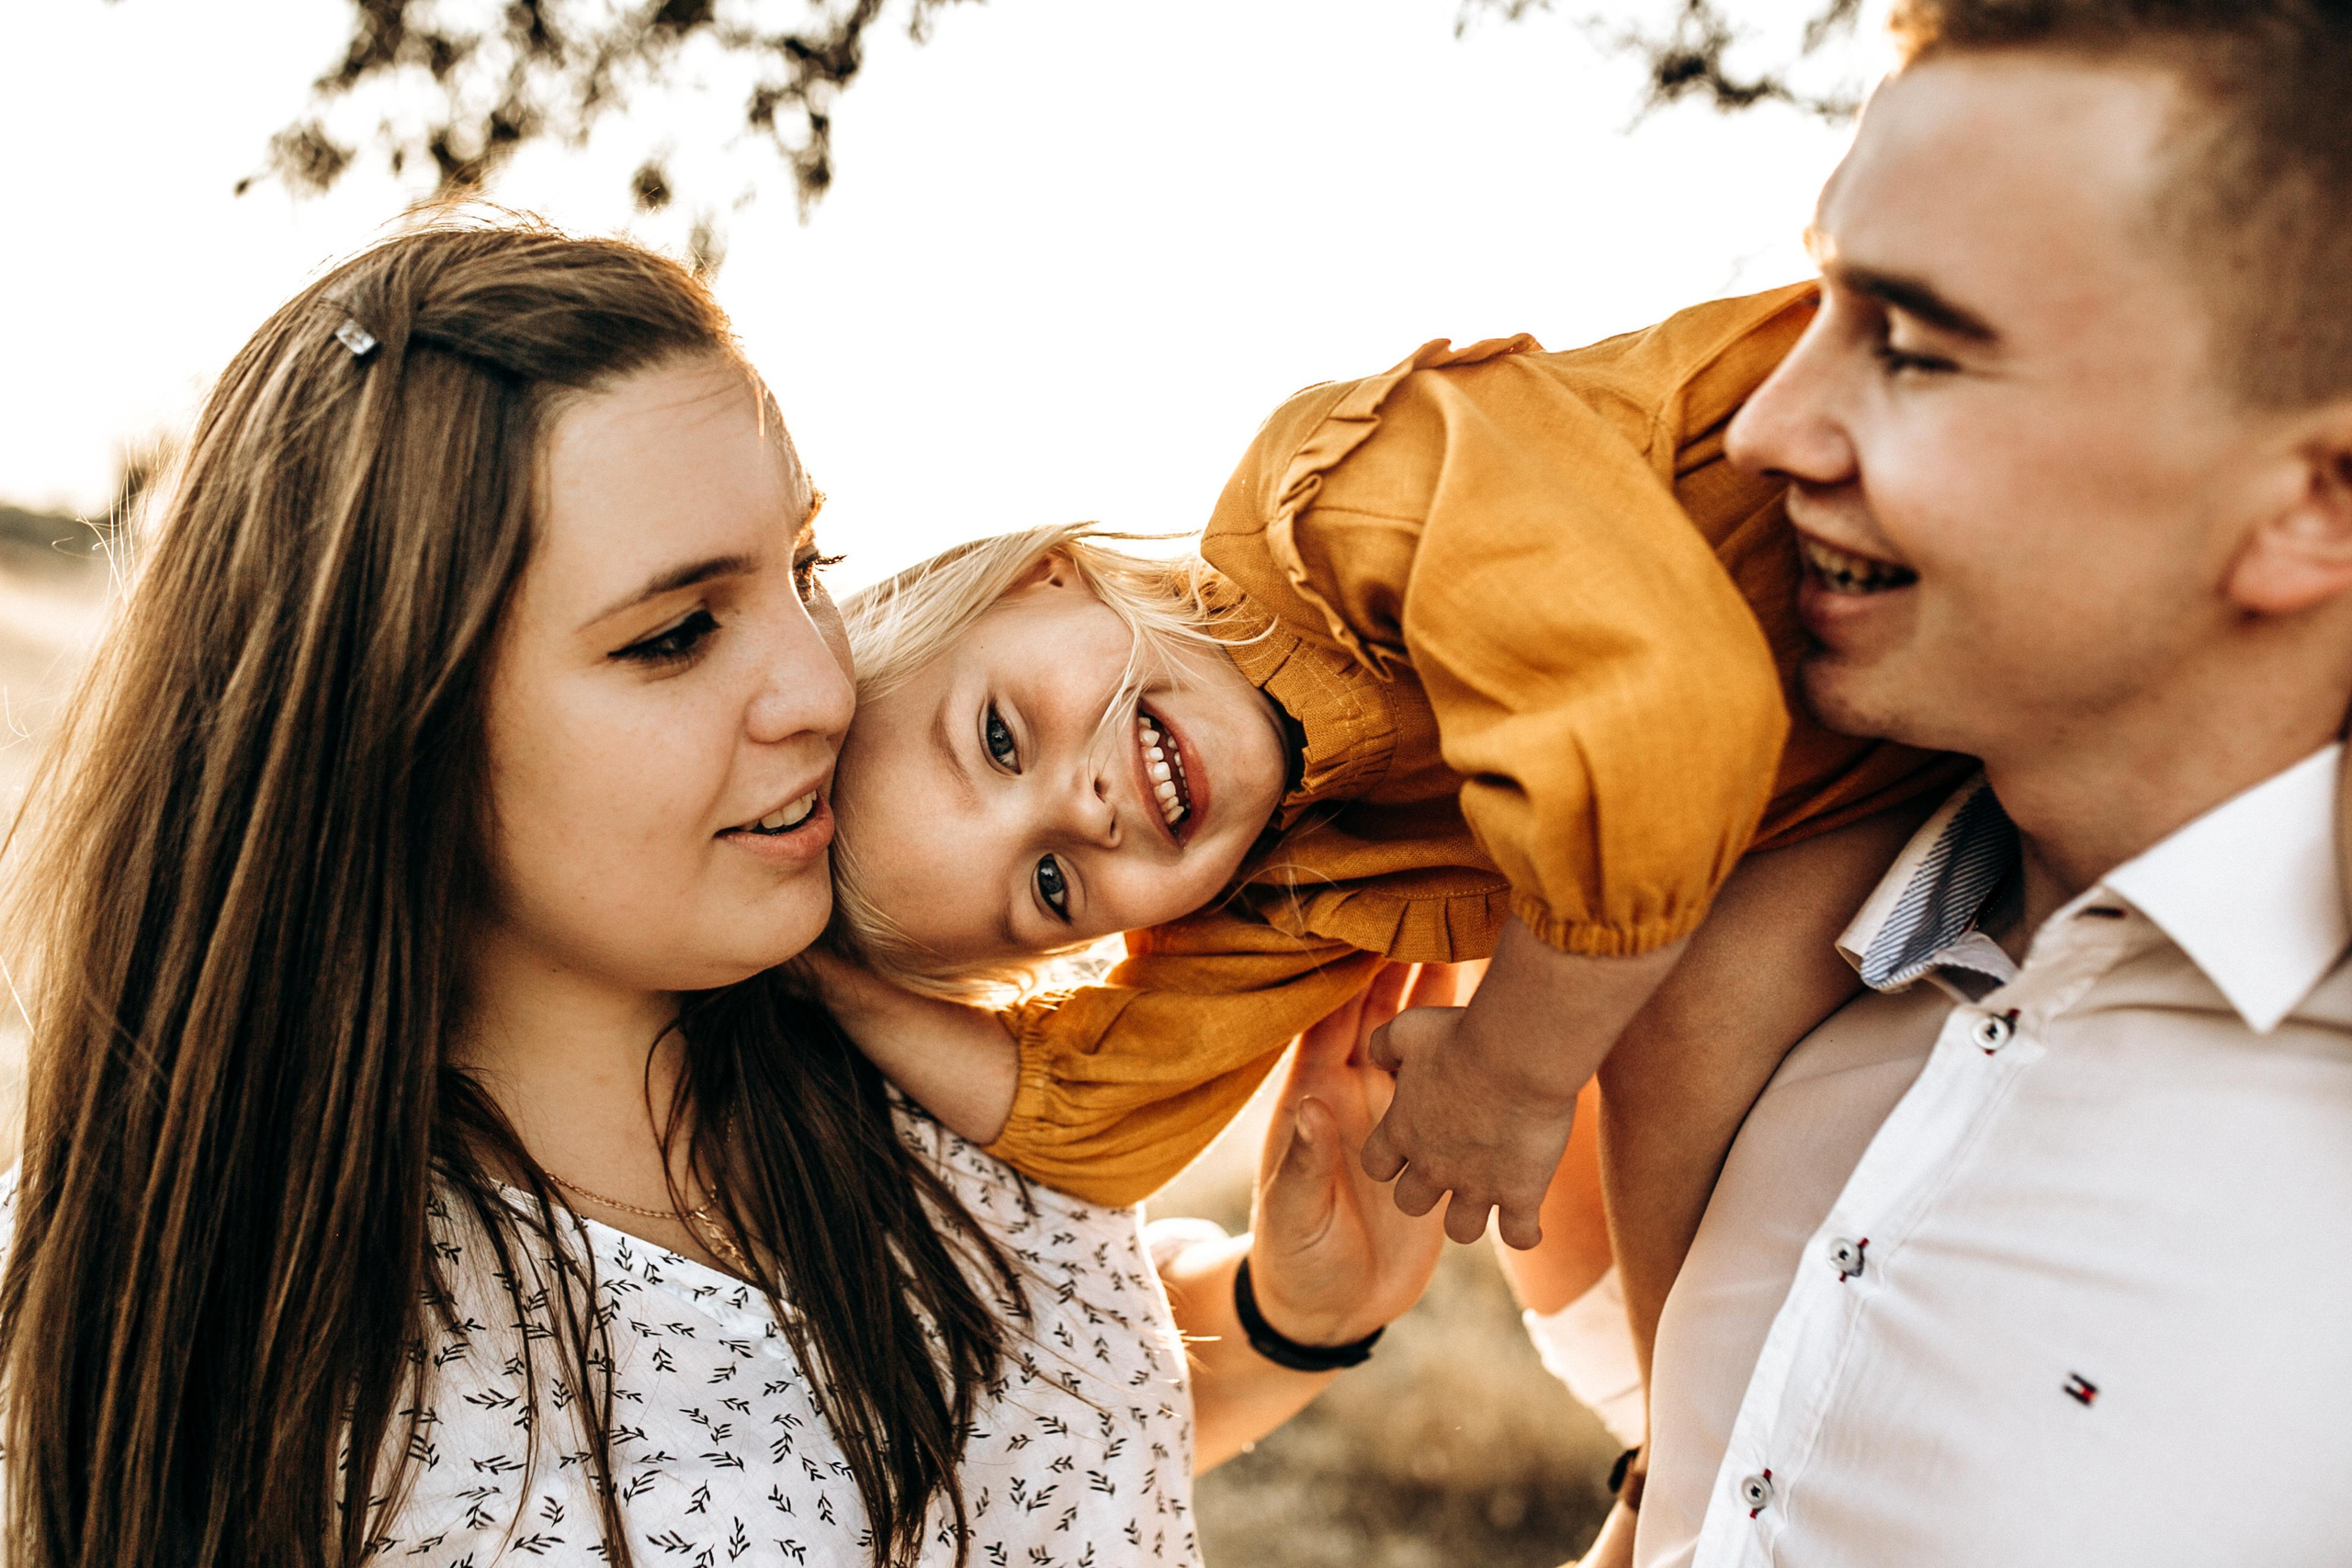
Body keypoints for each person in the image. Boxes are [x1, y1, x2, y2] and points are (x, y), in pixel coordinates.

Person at [0, 216, 1445, 1568]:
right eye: (680, 632)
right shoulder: (168, 1310)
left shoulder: (970, 1112)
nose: (823, 684)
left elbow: (1022, 1465)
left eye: (804, 564)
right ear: (396, 729)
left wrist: (1284, 1319)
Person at [808, 303, 1968, 1372]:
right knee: (1687, 1125)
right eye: (1053, 886)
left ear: (1034, 582)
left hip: (1952, 449)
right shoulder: (1276, 888)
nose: (1081, 811)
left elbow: (1657, 713)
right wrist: (813, 977)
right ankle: (1693, 1482)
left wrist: (1510, 1068)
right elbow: (1094, 1117)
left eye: (1002, 737)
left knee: (1663, 1022)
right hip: (1917, 738)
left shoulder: (1331, 503)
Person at [1579, 3, 2352, 1563]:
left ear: (2316, 506)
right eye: (1816, 310)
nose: (1766, 427)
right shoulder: (1777, 971)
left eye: (1916, 348)